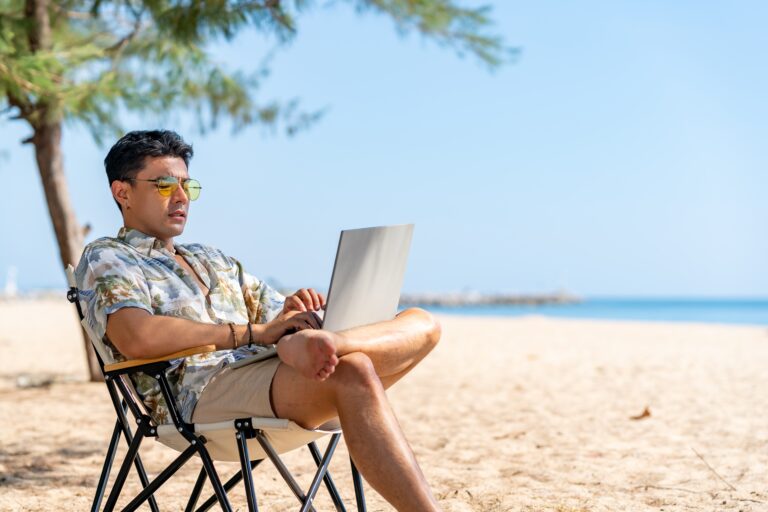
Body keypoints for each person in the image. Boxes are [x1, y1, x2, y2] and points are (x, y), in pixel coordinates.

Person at [75, 130, 443, 511]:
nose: (182, 197)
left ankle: (337, 341)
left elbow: (274, 315)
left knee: (424, 323)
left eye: (188, 186)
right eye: (166, 185)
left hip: (262, 370)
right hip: (196, 392)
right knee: (353, 372)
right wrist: (254, 333)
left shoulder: (211, 258)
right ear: (123, 193)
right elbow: (137, 337)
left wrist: (298, 315)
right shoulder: (110, 256)